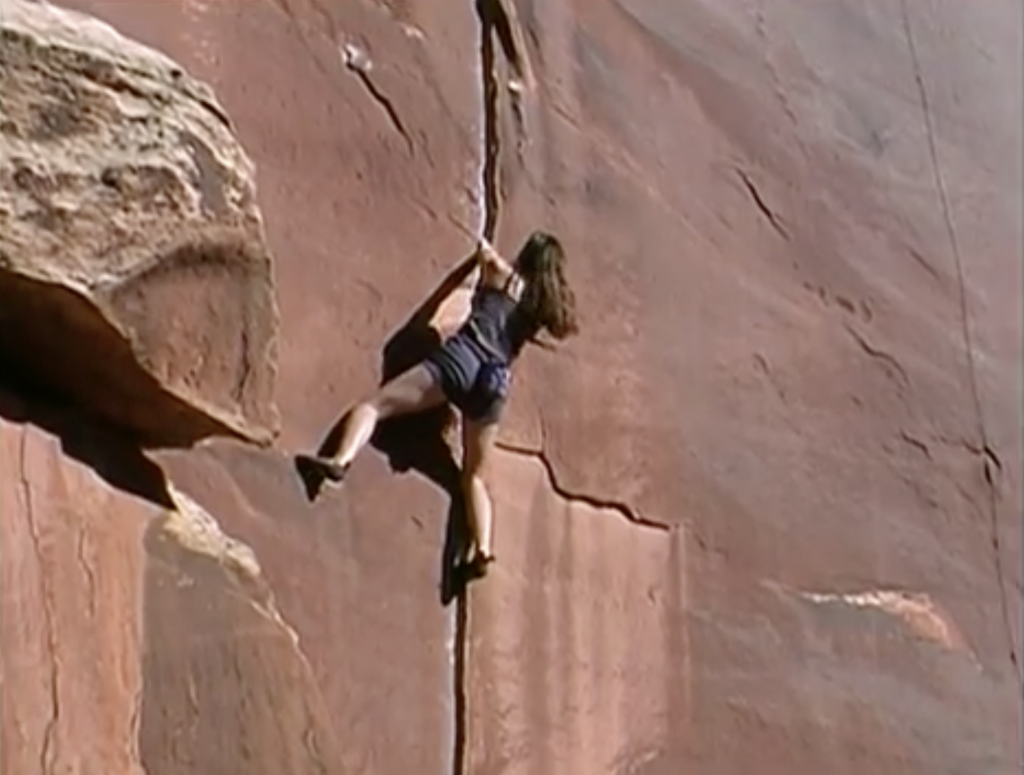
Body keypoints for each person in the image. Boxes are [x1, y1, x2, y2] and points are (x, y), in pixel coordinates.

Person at [295, 231, 579, 576]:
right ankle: (483, 550)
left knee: (374, 406)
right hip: (493, 383)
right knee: (474, 476)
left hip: (463, 358)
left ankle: (340, 460)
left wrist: (478, 257)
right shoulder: (539, 308)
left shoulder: (499, 271)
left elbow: (480, 254)